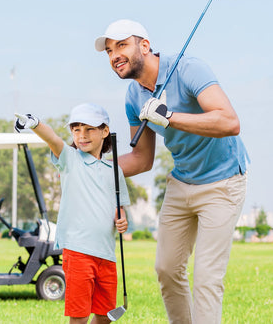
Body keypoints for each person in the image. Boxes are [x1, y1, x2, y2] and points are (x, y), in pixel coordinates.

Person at [95, 19, 249, 324]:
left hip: (223, 182)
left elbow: (230, 122)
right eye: (109, 51)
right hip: (181, 183)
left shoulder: (188, 69)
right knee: (166, 269)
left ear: (145, 46)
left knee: (206, 277)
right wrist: (95, 168)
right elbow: (141, 159)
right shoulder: (133, 97)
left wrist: (169, 116)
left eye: (121, 45)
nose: (114, 55)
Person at [15, 103, 130, 324]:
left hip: (107, 254)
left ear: (105, 131)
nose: (81, 135)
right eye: (76, 129)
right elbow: (53, 140)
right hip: (78, 251)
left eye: (89, 129)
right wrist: (35, 123)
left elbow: (119, 208)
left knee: (105, 316)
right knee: (80, 315)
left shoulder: (115, 171)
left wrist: (121, 220)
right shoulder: (71, 159)